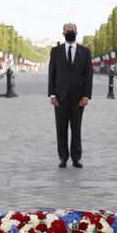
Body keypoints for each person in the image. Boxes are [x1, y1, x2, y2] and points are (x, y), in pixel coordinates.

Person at [48, 22, 93, 168]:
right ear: (63, 33)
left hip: (78, 99)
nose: (70, 32)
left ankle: (76, 158)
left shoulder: (85, 52)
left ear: (77, 32)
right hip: (60, 98)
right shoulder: (55, 51)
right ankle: (63, 157)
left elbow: (89, 75)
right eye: (68, 30)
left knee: (76, 128)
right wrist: (52, 95)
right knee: (61, 129)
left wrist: (86, 96)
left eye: (72, 30)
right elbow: (52, 73)